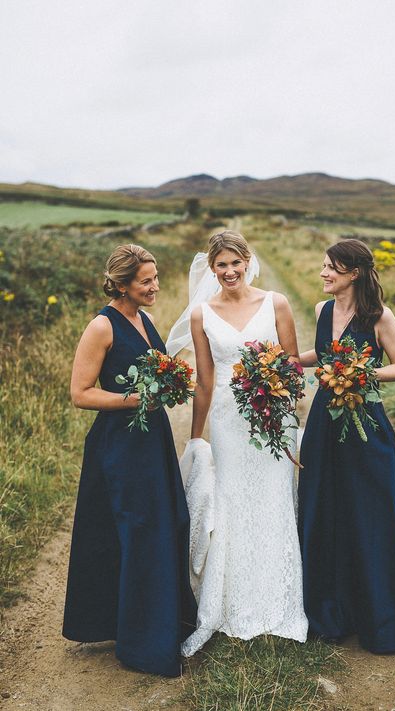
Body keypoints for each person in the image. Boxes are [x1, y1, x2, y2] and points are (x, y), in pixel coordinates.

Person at [166, 230, 308, 656]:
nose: (229, 271)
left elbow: (293, 367)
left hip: (271, 420)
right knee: (233, 502)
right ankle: (230, 604)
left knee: (274, 498)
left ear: (248, 261)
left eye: (235, 263)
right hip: (229, 421)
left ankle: (279, 601)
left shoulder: (275, 303)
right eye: (220, 265)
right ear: (212, 269)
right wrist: (196, 435)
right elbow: (206, 381)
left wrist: (283, 401)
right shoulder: (202, 315)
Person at [63, 244, 196, 677]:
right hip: (119, 444)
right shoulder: (101, 326)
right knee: (138, 530)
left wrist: (172, 386)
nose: (155, 286)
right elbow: (81, 393)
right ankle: (142, 641)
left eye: (156, 278)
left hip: (152, 440)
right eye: (146, 281)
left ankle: (161, 623)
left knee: (164, 523)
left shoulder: (148, 319)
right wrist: (137, 397)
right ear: (122, 284)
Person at [298, 239, 395, 654]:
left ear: (353, 273)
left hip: (365, 421)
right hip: (323, 424)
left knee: (369, 511)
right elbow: (322, 353)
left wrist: (360, 374)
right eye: (324, 266)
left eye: (330, 267)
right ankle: (331, 609)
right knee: (325, 507)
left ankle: (380, 612)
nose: (323, 273)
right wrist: (285, 360)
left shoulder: (379, 316)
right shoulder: (322, 310)